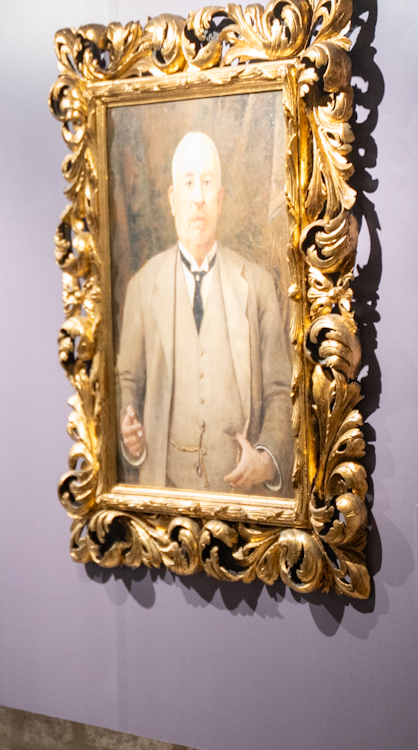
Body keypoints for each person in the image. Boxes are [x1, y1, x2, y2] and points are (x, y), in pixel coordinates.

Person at [115, 132, 293, 495]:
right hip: (166, 498)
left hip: (242, 500)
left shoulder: (257, 286)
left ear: (221, 198)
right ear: (172, 199)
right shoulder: (142, 287)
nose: (198, 197)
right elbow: (126, 382)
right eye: (188, 183)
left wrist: (266, 458)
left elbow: (280, 390)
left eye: (208, 183)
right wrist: (128, 430)